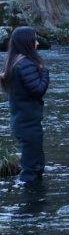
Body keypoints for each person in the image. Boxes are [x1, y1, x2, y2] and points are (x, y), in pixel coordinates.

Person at [0, 26, 50, 183]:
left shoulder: (13, 62)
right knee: (31, 170)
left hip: (22, 121)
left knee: (35, 164)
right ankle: (30, 203)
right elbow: (38, 90)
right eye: (34, 39)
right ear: (26, 42)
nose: (37, 43)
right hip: (28, 123)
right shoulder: (26, 64)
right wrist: (44, 71)